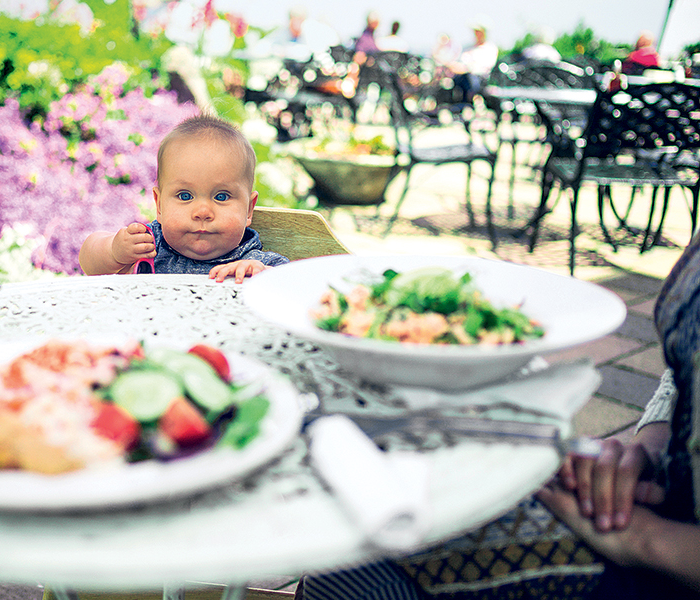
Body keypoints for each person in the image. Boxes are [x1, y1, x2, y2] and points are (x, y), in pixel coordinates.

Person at [296, 230, 700, 599]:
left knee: (363, 561)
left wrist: (651, 539)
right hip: (655, 497)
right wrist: (646, 451)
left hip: (664, 566)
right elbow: (680, 374)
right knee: (347, 558)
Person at [78, 115, 288, 283]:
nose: (203, 212)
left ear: (248, 210)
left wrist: (265, 278)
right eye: (185, 196)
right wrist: (114, 251)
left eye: (221, 196)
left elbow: (299, 292)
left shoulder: (259, 262)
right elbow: (89, 262)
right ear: (159, 205)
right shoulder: (151, 246)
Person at [447, 22, 499, 104]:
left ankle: (470, 102)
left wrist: (466, 68)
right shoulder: (467, 47)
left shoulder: (490, 48)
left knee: (469, 79)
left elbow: (486, 67)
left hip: (479, 79)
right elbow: (459, 62)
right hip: (461, 76)